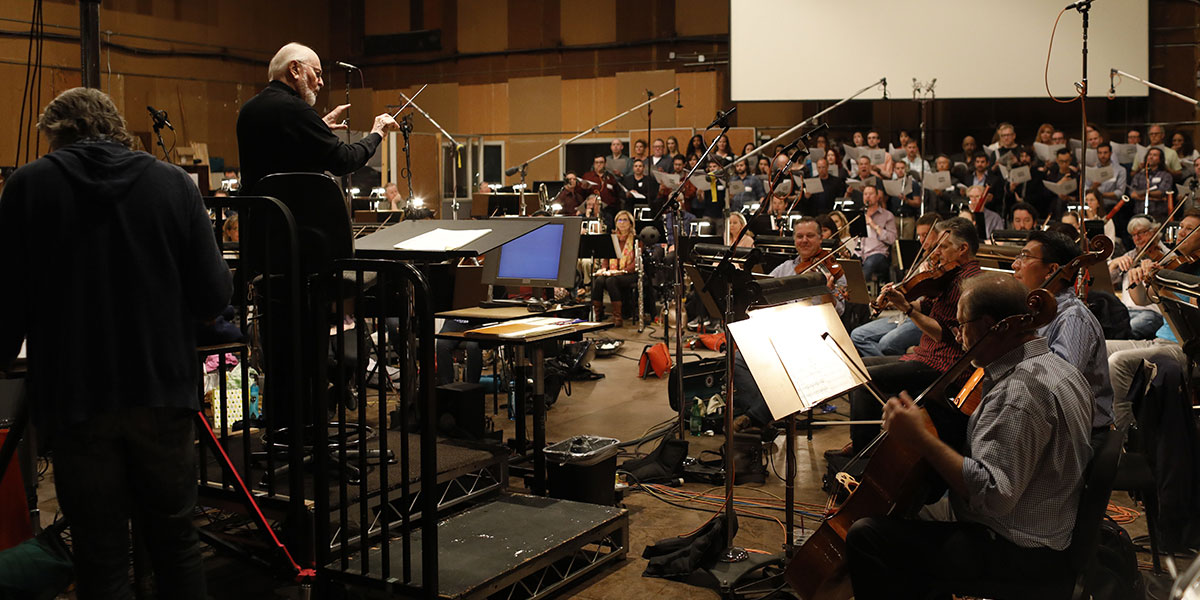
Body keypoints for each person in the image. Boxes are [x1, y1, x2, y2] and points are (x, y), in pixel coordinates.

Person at [0, 87, 232, 598]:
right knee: (176, 542)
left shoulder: (28, 186)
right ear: (116, 128)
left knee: (100, 552)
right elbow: (213, 294)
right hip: (161, 390)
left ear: (57, 136)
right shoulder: (173, 184)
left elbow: (7, 301)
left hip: (75, 398)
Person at [846, 273, 1094, 600]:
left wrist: (922, 440)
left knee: (868, 536)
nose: (959, 337)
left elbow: (994, 496)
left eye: (962, 325)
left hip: (1020, 549)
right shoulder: (1057, 368)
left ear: (990, 325)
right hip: (1050, 526)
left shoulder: (1019, 394)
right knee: (907, 511)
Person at [841, 217, 983, 454]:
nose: (936, 252)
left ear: (963, 249)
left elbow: (942, 334)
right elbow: (925, 307)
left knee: (866, 379)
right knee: (858, 366)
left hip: (944, 364)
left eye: (943, 247)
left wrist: (907, 309)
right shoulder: (949, 276)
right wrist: (902, 300)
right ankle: (866, 442)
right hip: (926, 355)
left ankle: (863, 453)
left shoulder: (969, 283)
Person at [236, 42, 399, 193]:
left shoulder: (249, 109)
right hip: (295, 220)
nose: (321, 82)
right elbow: (344, 160)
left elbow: (281, 153)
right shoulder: (296, 109)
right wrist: (376, 133)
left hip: (257, 219)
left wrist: (318, 127)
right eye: (317, 73)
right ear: (294, 69)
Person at [1010, 231, 1115, 439]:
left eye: (1025, 256)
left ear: (1051, 270)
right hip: (1047, 424)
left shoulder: (1072, 318)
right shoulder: (1034, 312)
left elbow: (1059, 386)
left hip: (1077, 435)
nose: (1015, 264)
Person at [1107, 209, 1200, 428]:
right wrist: (1139, 278)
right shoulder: (1178, 264)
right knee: (1099, 347)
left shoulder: (1187, 272)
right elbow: (1141, 300)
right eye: (1181, 227)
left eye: (1190, 229)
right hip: (1159, 341)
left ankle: (1122, 436)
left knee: (1118, 362)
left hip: (1184, 346)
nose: (1181, 233)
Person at [850, 213, 940, 357]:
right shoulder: (924, 259)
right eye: (920, 236)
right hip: (906, 314)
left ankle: (893, 370)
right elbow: (909, 287)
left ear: (939, 234)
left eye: (926, 235)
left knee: (887, 344)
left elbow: (926, 302)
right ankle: (889, 370)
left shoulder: (941, 265)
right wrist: (891, 294)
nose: (922, 241)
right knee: (858, 335)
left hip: (925, 319)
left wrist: (903, 301)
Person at [591, 210, 639, 326]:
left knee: (611, 281)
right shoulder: (613, 239)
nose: (622, 223)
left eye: (625, 220)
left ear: (631, 223)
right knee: (599, 280)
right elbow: (607, 258)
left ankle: (617, 317)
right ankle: (597, 315)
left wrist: (621, 271)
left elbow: (636, 262)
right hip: (613, 272)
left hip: (630, 273)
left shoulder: (636, 239)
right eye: (619, 220)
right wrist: (603, 268)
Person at [860, 186, 897, 284]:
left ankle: (858, 295)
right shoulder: (858, 214)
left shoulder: (887, 215)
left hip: (878, 254)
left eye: (871, 194)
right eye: (865, 194)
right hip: (859, 252)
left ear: (877, 197)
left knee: (870, 264)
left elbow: (892, 239)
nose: (868, 197)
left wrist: (873, 224)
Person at [1130, 147, 1175, 222]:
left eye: (1154, 155)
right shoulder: (1139, 175)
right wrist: (1153, 198)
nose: (1151, 157)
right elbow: (1133, 194)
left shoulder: (1166, 175)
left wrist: (1143, 194)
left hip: (1158, 215)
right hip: (1139, 214)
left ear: (1160, 159)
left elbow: (1161, 193)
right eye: (1149, 154)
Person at [581, 155, 620, 225]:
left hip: (608, 210)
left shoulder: (610, 177)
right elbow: (581, 193)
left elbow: (616, 193)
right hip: (592, 210)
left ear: (605, 164)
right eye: (597, 162)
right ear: (594, 164)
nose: (599, 164)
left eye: (601, 162)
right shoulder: (587, 176)